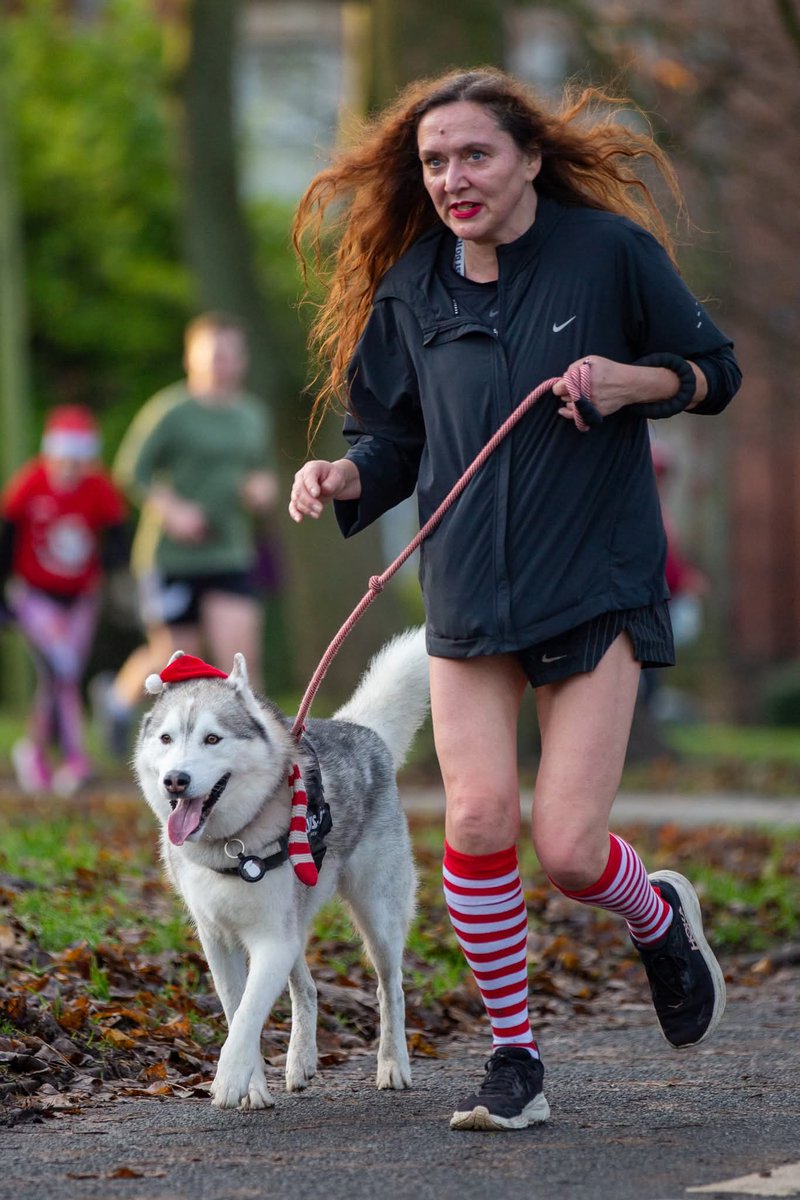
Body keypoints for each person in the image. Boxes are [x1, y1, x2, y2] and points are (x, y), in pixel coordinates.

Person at [288, 68, 742, 1132]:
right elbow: (393, 439)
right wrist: (347, 475)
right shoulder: (411, 289)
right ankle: (513, 1062)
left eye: (474, 155)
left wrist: (630, 382)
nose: (452, 176)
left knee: (572, 849)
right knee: (480, 817)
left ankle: (657, 913)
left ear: (529, 158)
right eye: (434, 161)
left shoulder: (608, 256)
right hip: (467, 592)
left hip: (592, 580)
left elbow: (711, 371)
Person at [93, 312, 279, 756]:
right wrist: (172, 510)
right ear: (191, 357)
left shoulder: (252, 415)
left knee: (242, 662)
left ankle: (260, 758)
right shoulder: (171, 411)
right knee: (175, 658)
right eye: (212, 353)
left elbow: (263, 477)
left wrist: (263, 490)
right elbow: (129, 471)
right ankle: (117, 702)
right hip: (172, 556)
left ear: (243, 360)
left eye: (230, 353)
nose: (222, 362)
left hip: (230, 551)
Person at [0, 405, 128, 795]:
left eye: (79, 460)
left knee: (58, 678)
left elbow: (117, 530)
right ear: (51, 453)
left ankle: (33, 750)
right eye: (64, 459)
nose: (71, 468)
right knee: (65, 670)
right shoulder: (30, 483)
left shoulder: (97, 486)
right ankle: (76, 758)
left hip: (80, 598)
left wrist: (111, 569)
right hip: (35, 596)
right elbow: (7, 537)